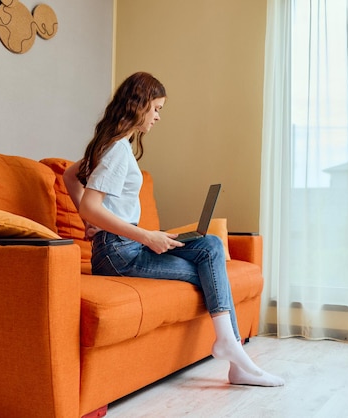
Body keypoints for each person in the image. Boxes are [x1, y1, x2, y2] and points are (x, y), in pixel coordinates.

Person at [63, 71, 284, 387]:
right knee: (211, 272)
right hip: (119, 253)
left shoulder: (113, 145)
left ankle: (232, 355)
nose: (157, 117)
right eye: (156, 109)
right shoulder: (116, 151)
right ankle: (234, 354)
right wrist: (144, 235)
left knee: (210, 246)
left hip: (121, 245)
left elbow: (70, 177)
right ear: (138, 106)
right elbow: (90, 206)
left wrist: (95, 224)